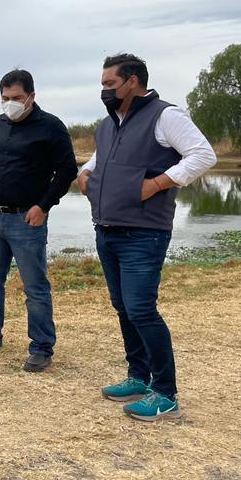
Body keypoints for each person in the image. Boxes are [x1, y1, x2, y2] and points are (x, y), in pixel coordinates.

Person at [78, 53, 216, 421]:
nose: (105, 90)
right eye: (103, 84)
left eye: (110, 83)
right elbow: (100, 159)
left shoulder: (165, 116)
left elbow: (203, 155)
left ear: (133, 80)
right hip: (107, 228)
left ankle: (166, 394)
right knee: (123, 306)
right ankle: (138, 377)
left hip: (144, 232)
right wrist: (85, 173)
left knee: (141, 308)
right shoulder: (109, 124)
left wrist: (157, 183)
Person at [0, 69, 77, 371]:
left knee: (34, 286)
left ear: (31, 97)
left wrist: (43, 205)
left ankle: (41, 346)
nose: (10, 103)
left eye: (16, 98)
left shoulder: (51, 127)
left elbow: (66, 171)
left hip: (28, 219)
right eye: (5, 98)